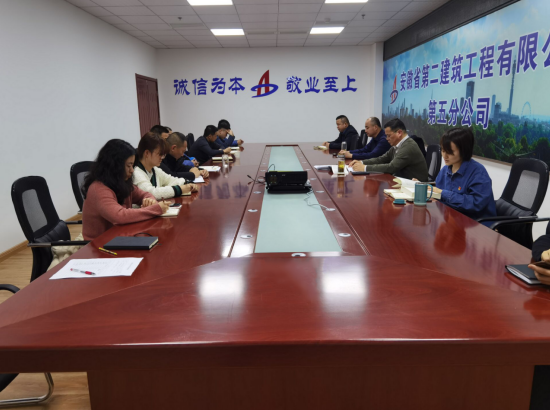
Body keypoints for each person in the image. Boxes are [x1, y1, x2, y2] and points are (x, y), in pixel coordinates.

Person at [81, 139, 169, 241]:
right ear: (115, 166)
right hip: (99, 244)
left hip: (119, 237)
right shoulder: (98, 188)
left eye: (132, 165)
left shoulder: (121, 182)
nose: (132, 170)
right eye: (128, 166)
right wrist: (155, 209)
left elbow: (144, 194)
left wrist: (150, 201)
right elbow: (119, 216)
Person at [428, 128, 496, 225]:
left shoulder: (478, 172)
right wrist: (423, 188)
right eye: (442, 150)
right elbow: (438, 194)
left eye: (450, 152)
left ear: (463, 150)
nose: (444, 155)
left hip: (475, 224)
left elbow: (476, 204)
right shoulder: (446, 169)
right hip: (451, 219)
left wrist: (443, 193)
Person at [350, 118, 429, 181]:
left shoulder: (408, 146)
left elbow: (391, 167)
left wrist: (364, 168)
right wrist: (361, 162)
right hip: (402, 183)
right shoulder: (397, 145)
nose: (387, 139)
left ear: (399, 133)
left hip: (415, 188)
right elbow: (381, 159)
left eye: (389, 135)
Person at [133, 132, 198, 200]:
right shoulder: (137, 173)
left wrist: (187, 183)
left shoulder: (154, 169)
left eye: (163, 154)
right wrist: (179, 189)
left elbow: (170, 180)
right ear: (147, 153)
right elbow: (151, 193)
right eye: (160, 154)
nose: (162, 157)